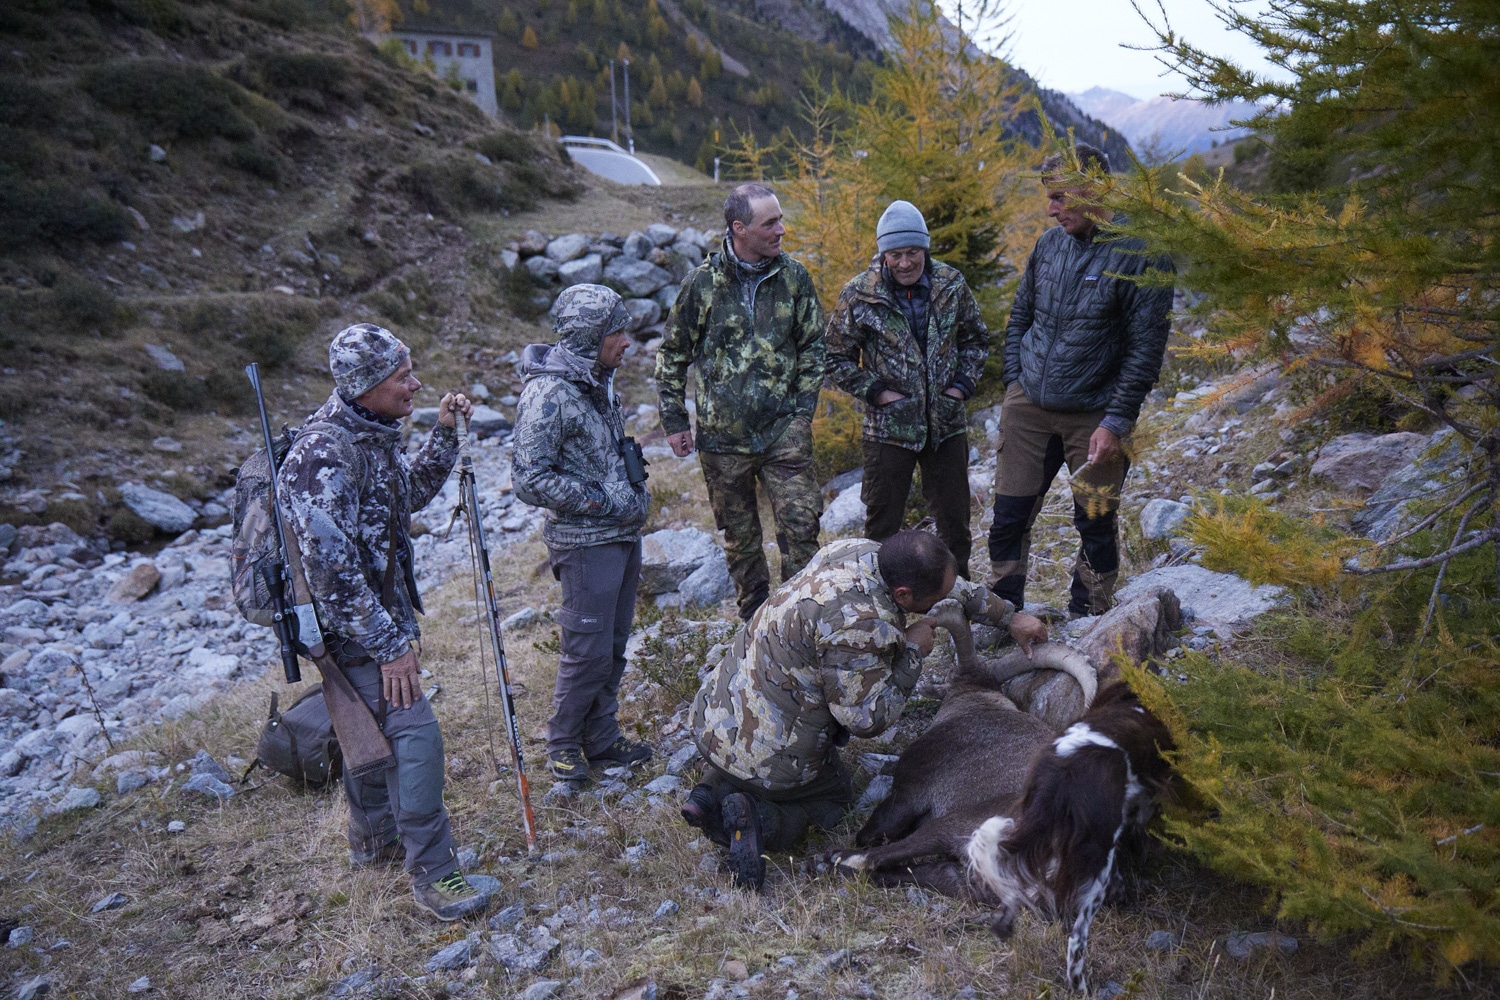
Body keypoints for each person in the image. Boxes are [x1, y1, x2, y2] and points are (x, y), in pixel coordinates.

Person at [682, 529, 1049, 891]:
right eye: (929, 600)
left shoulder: (860, 552)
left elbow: (950, 587)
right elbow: (864, 719)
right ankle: (758, 817)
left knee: (751, 751)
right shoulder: (861, 625)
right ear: (903, 595)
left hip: (714, 715)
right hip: (768, 753)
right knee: (834, 801)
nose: (940, 599)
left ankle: (707, 791)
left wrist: (1007, 616)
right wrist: (910, 653)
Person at [279, 323, 493, 922]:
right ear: (366, 384)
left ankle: (373, 844)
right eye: (402, 378)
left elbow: (407, 494)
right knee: (414, 736)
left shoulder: (370, 436)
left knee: (365, 732)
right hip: (356, 634)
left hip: (369, 627)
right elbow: (332, 573)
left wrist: (444, 435)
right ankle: (437, 877)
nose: (415, 385)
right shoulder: (323, 455)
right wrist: (392, 646)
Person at [989, 143, 1174, 618]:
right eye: (1048, 197)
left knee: (1094, 520)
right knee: (1009, 517)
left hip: (1095, 413)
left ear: (1097, 190)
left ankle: (1087, 617)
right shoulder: (1048, 246)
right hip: (1029, 408)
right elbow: (1021, 317)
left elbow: (1145, 351)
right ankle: (1002, 612)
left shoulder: (1141, 254)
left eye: (1061, 198)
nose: (1051, 210)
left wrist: (1115, 422)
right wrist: (1015, 385)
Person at [656, 182, 826, 621]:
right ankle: (756, 627)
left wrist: (801, 413)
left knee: (802, 527)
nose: (782, 230)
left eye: (781, 219)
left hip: (783, 432)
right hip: (722, 440)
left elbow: (813, 347)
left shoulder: (794, 278)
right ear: (739, 229)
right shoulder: (702, 285)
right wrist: (675, 420)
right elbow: (673, 354)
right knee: (741, 540)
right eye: (770, 223)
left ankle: (803, 622)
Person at [511, 284, 653, 781]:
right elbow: (528, 479)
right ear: (592, 335)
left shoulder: (599, 379)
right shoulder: (547, 393)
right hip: (584, 542)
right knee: (586, 650)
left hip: (621, 534)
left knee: (613, 645)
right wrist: (604, 498)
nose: (626, 342)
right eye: (617, 332)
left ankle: (603, 738)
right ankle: (563, 743)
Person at [825, 200, 989, 577]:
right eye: (895, 254)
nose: (904, 263)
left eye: (912, 252)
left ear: (924, 249)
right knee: (881, 529)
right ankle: (882, 612)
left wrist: (961, 387)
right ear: (883, 254)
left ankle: (957, 601)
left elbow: (977, 340)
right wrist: (877, 392)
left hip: (946, 425)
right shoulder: (859, 293)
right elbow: (834, 356)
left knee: (955, 526)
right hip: (887, 430)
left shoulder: (951, 283)